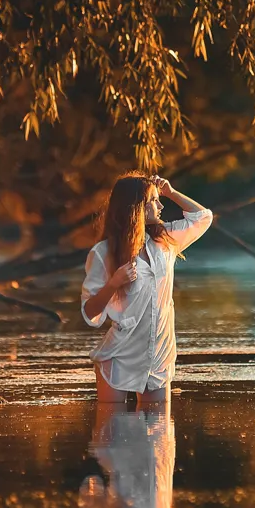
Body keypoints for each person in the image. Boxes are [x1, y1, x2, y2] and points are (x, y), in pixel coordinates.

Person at [81, 173, 212, 405]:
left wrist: (170, 191)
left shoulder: (166, 242)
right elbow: (90, 312)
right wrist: (114, 283)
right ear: (136, 207)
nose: (161, 205)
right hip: (121, 356)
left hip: (159, 356)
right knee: (111, 433)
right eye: (154, 200)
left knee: (159, 436)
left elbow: (203, 217)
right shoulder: (104, 253)